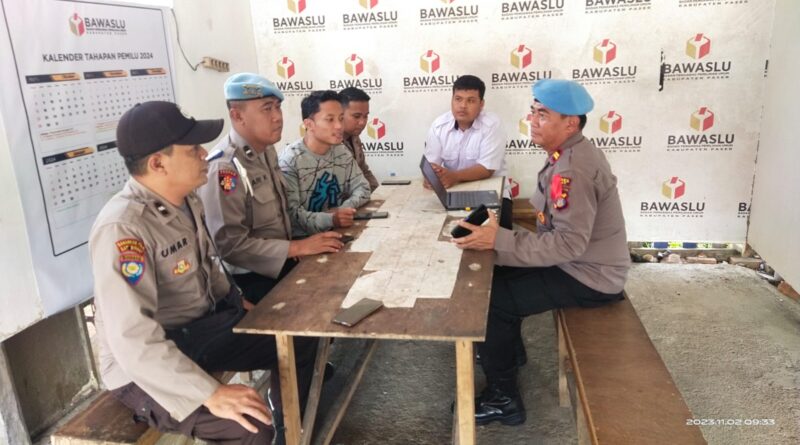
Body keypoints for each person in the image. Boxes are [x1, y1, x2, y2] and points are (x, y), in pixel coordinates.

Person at [89, 101, 317, 444]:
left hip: (198, 331)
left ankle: (293, 432)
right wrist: (210, 393)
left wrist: (238, 305)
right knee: (250, 427)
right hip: (143, 366)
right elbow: (133, 340)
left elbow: (208, 266)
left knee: (299, 338)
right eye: (192, 149)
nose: (203, 154)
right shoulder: (124, 228)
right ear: (157, 163)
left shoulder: (186, 199)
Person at [452, 79, 631, 426]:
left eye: (543, 115)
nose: (532, 121)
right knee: (493, 275)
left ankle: (504, 400)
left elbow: (567, 245)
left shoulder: (572, 169)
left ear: (570, 123)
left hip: (590, 276)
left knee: (490, 302)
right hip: (579, 263)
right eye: (533, 112)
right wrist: (500, 239)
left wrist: (499, 240)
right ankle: (505, 352)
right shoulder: (567, 154)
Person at [198, 73, 343, 305]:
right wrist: (297, 247)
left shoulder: (266, 150)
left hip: (283, 260)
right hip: (250, 280)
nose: (278, 117)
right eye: (267, 109)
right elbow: (229, 246)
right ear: (237, 116)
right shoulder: (225, 167)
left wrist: (296, 248)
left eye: (278, 107)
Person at [279, 90, 371, 238]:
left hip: (338, 233)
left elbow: (363, 188)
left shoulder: (341, 150)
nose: (339, 126)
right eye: (330, 120)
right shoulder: (290, 160)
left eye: (341, 118)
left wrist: (343, 210)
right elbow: (292, 215)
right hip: (303, 242)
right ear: (309, 124)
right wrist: (331, 219)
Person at [424, 74, 512, 228]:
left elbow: (487, 169)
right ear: (452, 100)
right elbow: (432, 163)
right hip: (453, 191)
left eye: (470, 100)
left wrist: (454, 176)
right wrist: (432, 175)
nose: (463, 106)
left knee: (498, 236)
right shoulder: (439, 126)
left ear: (481, 104)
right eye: (458, 99)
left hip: (492, 192)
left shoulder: (492, 124)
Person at [340, 87, 380, 191]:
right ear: (340, 114)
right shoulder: (329, 144)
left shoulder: (354, 137)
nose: (362, 122)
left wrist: (378, 194)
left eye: (365, 116)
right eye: (356, 116)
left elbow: (364, 171)